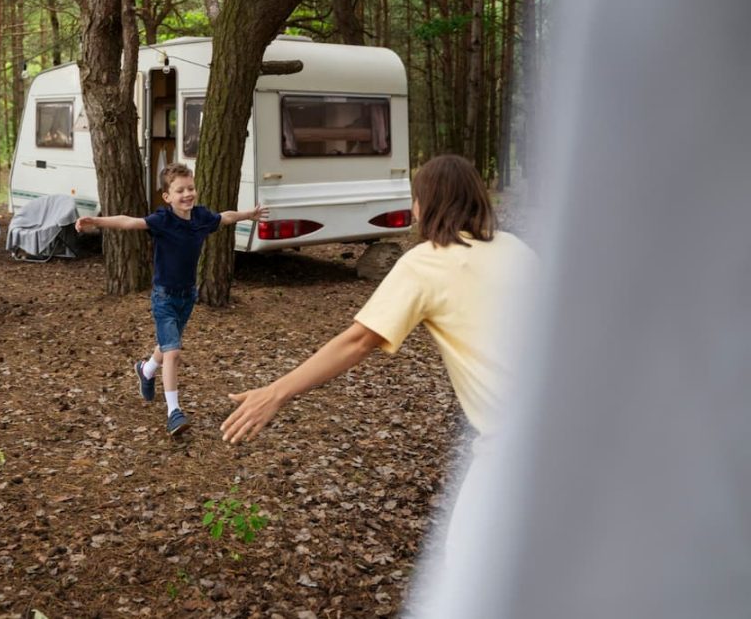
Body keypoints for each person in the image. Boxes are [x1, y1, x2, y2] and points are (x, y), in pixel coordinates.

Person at [220, 154, 537, 559]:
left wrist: (276, 392)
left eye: (416, 199)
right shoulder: (517, 250)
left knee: (466, 562)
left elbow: (357, 342)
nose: (413, 208)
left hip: (519, 442)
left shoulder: (427, 262)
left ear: (429, 205)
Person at [75, 163, 268, 436]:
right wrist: (96, 221)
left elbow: (225, 217)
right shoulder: (162, 221)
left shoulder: (201, 217)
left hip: (188, 295)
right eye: (180, 190)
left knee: (167, 346)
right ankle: (173, 412)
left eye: (190, 188)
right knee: (174, 352)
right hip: (163, 296)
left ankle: (146, 369)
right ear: (167, 197)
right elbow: (129, 222)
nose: (187, 194)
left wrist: (250, 214)